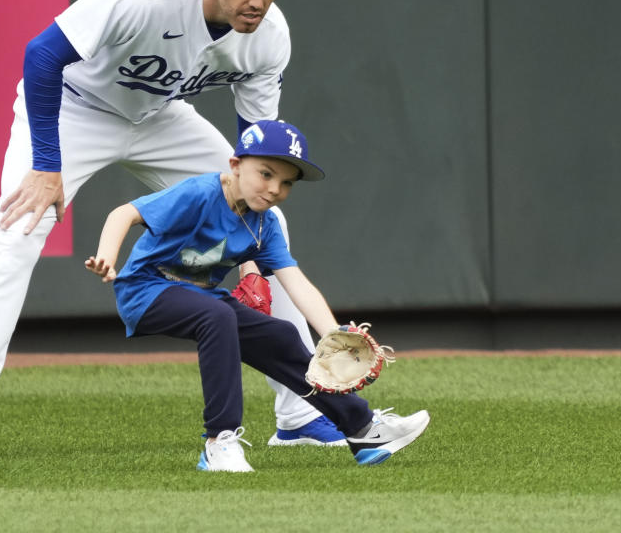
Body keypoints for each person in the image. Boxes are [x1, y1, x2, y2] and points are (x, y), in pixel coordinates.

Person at [0, 0, 344, 460]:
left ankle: (301, 413)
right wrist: (47, 166)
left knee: (271, 224)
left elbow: (257, 156)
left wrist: (252, 255)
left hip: (159, 116)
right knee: (18, 235)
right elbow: (42, 55)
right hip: (73, 110)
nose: (256, 0)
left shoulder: (268, 36)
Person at [84, 120, 430, 471]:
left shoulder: (266, 225)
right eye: (265, 173)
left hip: (201, 297)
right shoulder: (202, 193)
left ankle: (362, 428)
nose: (274, 188)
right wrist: (107, 257)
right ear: (235, 165)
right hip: (144, 290)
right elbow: (124, 213)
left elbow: (296, 283)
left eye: (286, 183)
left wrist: (334, 334)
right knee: (217, 316)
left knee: (279, 334)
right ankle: (219, 441)